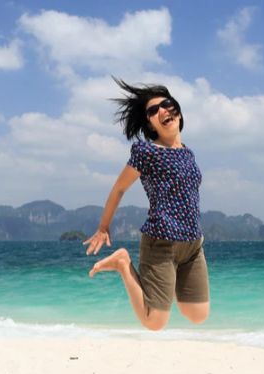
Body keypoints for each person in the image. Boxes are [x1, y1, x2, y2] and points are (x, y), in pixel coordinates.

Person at [84, 78, 210, 331]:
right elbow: (119, 188)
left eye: (167, 104)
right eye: (153, 111)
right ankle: (122, 263)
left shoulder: (188, 152)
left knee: (197, 315)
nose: (162, 110)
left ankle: (165, 284)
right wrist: (103, 227)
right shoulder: (147, 152)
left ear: (178, 110)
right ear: (150, 124)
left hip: (193, 245)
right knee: (155, 322)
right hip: (161, 243)